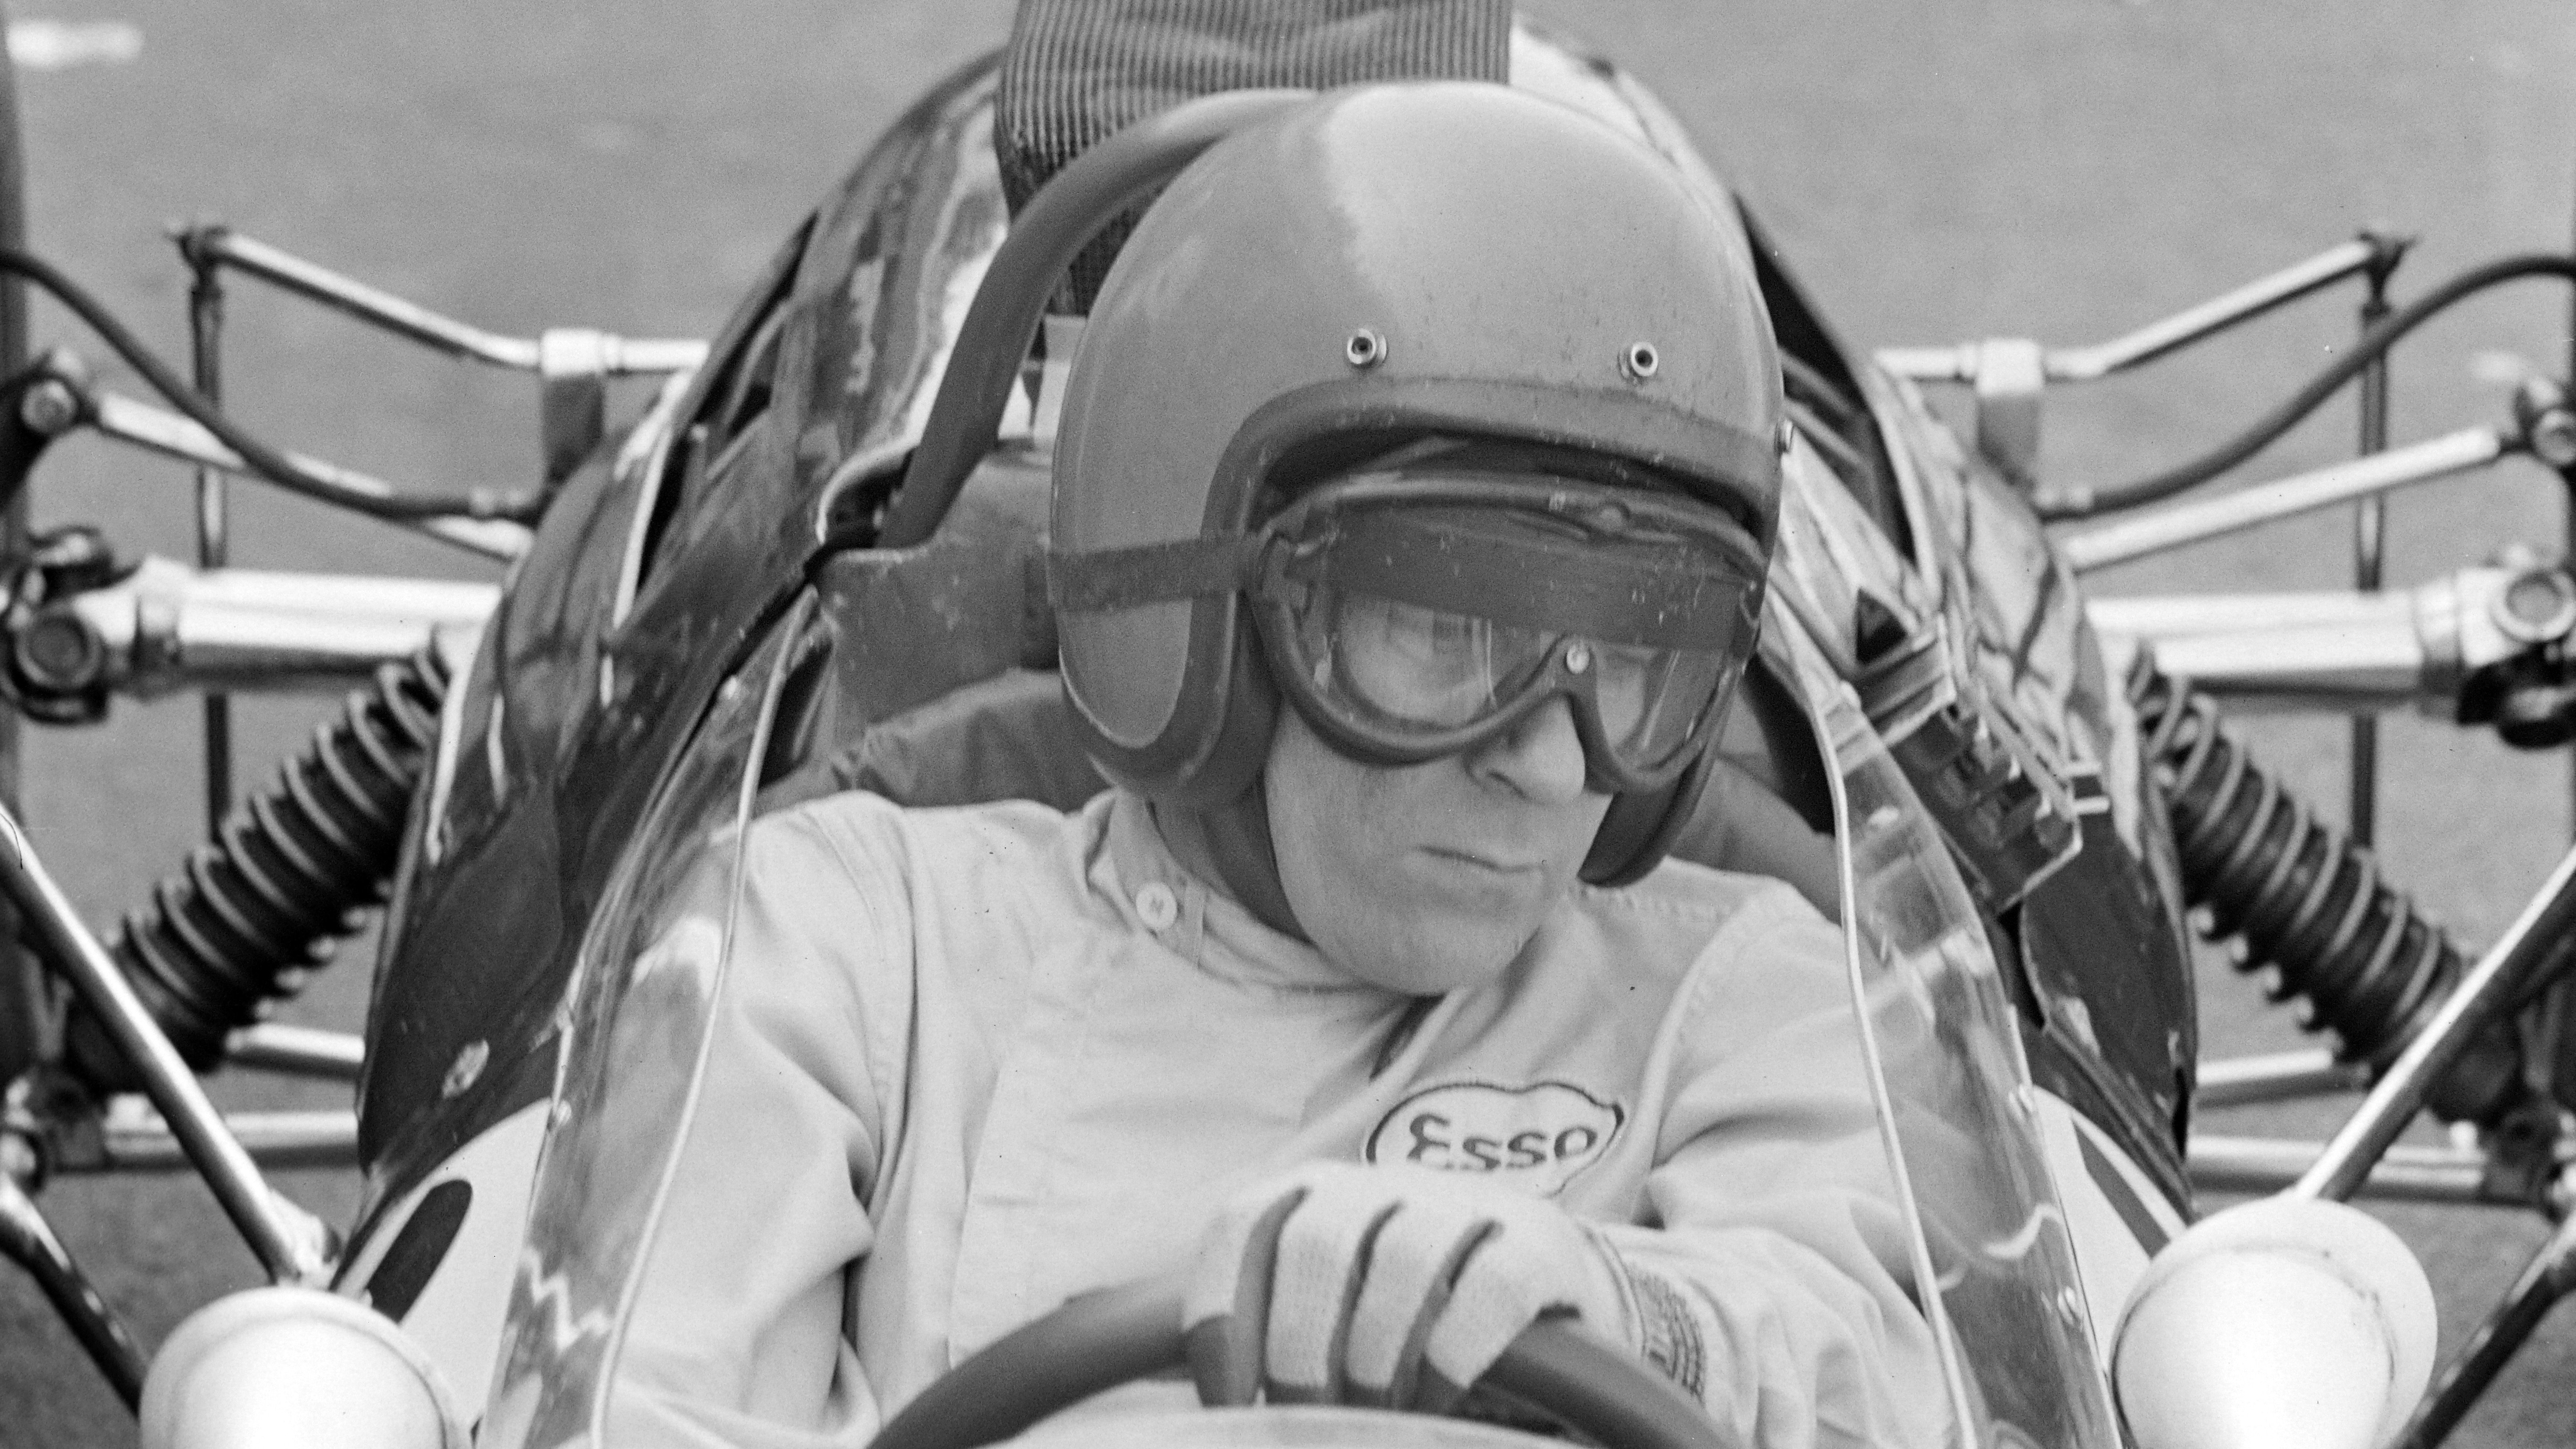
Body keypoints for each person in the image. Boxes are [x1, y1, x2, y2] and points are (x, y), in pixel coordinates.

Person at [605, 81, 1951, 1449]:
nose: (1553, 767)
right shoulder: (847, 947)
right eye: (1444, 628)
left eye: (1637, 654)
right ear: (1195, 621)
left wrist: (1632, 1315)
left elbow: (1889, 1356)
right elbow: (639, 1400)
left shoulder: (1747, 992)